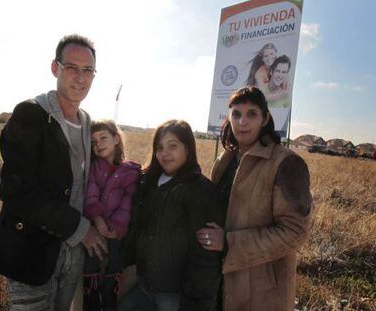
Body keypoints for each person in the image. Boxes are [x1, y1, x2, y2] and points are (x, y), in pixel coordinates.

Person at [0, 34, 108, 310]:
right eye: (71, 68)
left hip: (71, 259)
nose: (80, 77)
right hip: (30, 253)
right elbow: (17, 192)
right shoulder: (31, 114)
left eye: (87, 70)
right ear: (55, 68)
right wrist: (80, 228)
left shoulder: (89, 123)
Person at [196, 86, 312, 311]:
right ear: (228, 118)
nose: (242, 121)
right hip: (219, 282)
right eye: (236, 114)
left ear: (265, 118)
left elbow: (294, 233)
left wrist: (229, 243)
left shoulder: (287, 164)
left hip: (262, 292)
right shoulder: (225, 159)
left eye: (252, 114)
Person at [118, 120, 223, 311]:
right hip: (143, 284)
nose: (164, 153)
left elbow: (205, 254)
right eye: (159, 148)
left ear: (188, 148)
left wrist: (197, 302)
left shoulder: (200, 189)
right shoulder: (147, 182)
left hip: (175, 295)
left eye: (172, 146)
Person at [83, 120, 141, 311]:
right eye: (93, 141)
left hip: (116, 233)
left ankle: (109, 300)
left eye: (103, 138)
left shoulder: (130, 172)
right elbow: (90, 194)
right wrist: (98, 220)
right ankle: (91, 303)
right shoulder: (93, 167)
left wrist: (115, 228)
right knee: (91, 270)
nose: (98, 144)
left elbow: (127, 203)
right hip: (94, 228)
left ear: (116, 139)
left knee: (113, 271)